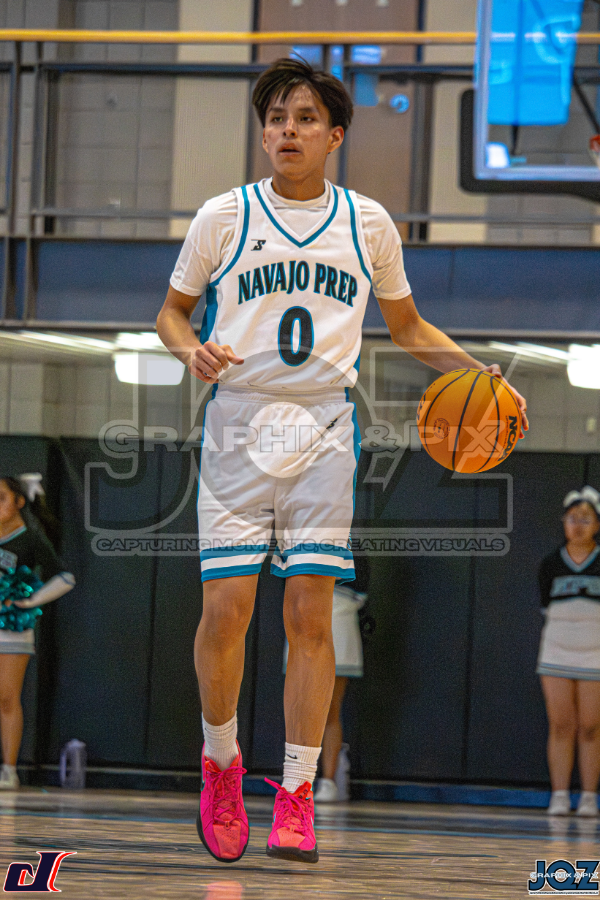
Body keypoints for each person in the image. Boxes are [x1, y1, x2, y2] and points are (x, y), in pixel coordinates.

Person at [157, 57, 529, 865]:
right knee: (226, 611)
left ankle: (296, 792)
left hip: (324, 427)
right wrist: (191, 350)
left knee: (309, 613)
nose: (285, 131)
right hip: (238, 426)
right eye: (274, 119)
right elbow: (171, 313)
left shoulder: (368, 224)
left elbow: (409, 326)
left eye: (301, 118)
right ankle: (220, 763)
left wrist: (480, 374)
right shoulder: (224, 216)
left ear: (334, 134)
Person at [0, 474, 75, 789]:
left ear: (19, 502)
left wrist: (30, 601)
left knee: (6, 698)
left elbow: (65, 577)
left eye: (1, 498)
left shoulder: (29, 538)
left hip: (12, 629)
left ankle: (9, 770)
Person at [537, 485, 600, 817]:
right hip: (557, 651)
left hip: (595, 653)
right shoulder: (550, 564)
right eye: (572, 518)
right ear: (564, 522)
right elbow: (546, 605)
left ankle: (589, 798)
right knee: (561, 725)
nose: (578, 525)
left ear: (597, 524)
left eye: (585, 519)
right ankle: (559, 795)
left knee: (590, 726)